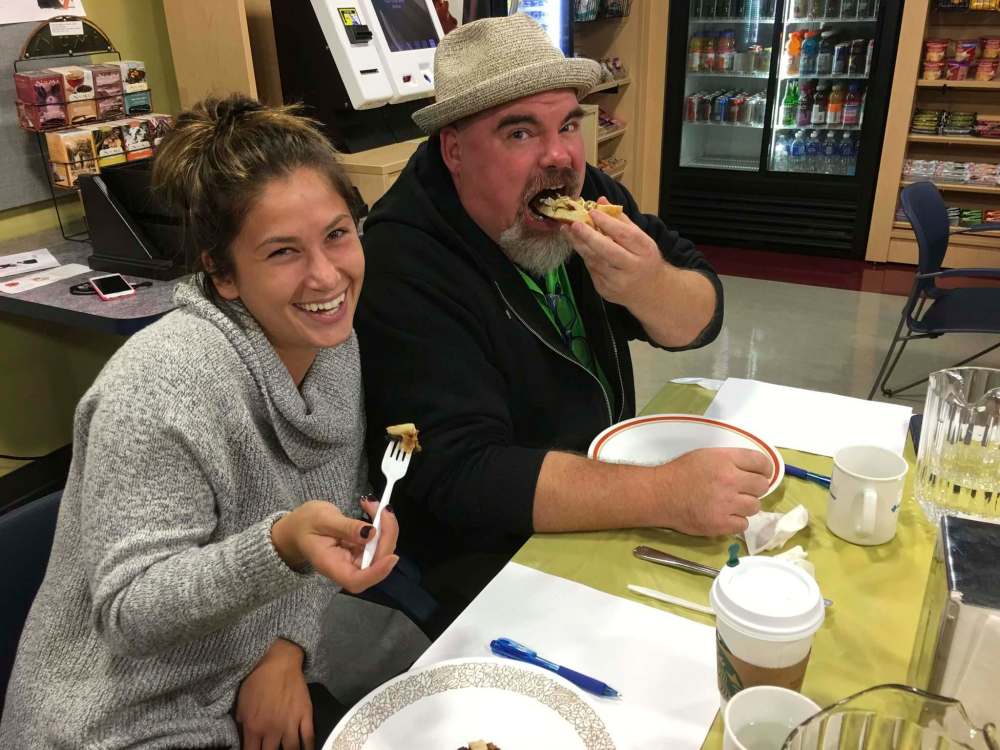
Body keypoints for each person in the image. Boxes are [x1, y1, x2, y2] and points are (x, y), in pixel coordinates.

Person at [0, 95, 404, 750]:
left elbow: (324, 510)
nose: (327, 275)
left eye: (336, 233)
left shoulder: (332, 344)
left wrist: (285, 649)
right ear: (222, 273)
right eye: (282, 253)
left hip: (240, 668)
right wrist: (280, 546)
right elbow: (131, 613)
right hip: (114, 718)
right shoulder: (159, 391)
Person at [356, 15, 772, 621]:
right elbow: (460, 475)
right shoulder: (402, 261)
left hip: (608, 502)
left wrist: (650, 284)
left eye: (569, 124)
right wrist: (664, 493)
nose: (559, 156)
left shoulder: (587, 191)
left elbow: (699, 316)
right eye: (520, 133)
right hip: (492, 568)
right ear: (454, 150)